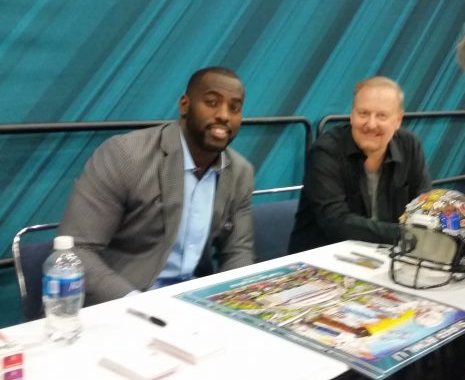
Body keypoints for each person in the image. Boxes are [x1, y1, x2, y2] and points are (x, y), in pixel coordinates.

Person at [59, 67, 254, 305]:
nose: (224, 115)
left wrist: (231, 303)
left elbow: (238, 251)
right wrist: (139, 305)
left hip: (194, 304)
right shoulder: (125, 156)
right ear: (185, 105)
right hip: (122, 302)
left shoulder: (240, 172)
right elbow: (75, 252)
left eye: (234, 108)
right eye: (212, 102)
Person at [289, 76, 432, 253]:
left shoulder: (410, 146)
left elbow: (424, 206)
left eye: (381, 116)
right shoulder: (326, 151)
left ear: (398, 120)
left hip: (389, 255)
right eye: (363, 113)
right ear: (352, 115)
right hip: (323, 258)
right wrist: (405, 234)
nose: (371, 124)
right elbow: (336, 222)